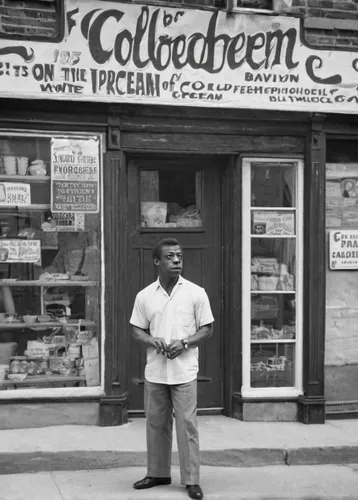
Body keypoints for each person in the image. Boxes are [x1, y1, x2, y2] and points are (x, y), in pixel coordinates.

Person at [129, 238, 214, 500]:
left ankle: (191, 479)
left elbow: (207, 329)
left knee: (187, 424)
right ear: (157, 262)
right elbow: (136, 329)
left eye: (179, 256)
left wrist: (186, 342)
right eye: (170, 256)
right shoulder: (144, 296)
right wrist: (151, 340)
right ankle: (157, 473)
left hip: (184, 371)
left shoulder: (196, 292)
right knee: (156, 423)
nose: (176, 260)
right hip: (155, 371)